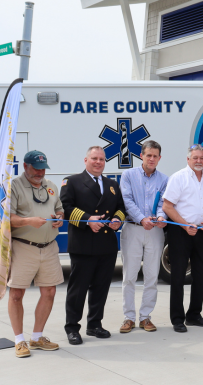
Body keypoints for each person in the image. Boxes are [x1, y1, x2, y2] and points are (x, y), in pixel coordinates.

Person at [61, 146, 126, 345]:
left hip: (106, 244)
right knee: (78, 289)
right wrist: (88, 219)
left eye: (102, 159)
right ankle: (72, 327)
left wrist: (117, 220)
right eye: (94, 158)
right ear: (85, 160)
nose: (98, 162)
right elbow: (66, 207)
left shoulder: (112, 184)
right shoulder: (71, 182)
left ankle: (94, 324)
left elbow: (121, 208)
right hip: (83, 244)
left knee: (101, 288)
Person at [7, 150, 64, 357]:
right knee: (16, 294)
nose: (40, 173)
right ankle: (19, 340)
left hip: (49, 247)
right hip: (24, 247)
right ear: (25, 166)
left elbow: (59, 208)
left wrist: (59, 217)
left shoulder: (51, 186)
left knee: (49, 292)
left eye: (42, 169)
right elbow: (8, 219)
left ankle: (37, 337)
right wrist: (29, 221)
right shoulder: (14, 186)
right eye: (36, 168)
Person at [162, 144, 203, 333]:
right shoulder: (178, 178)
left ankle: (194, 315)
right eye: (195, 158)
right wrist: (185, 225)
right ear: (188, 159)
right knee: (178, 276)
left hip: (202, 232)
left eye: (201, 158)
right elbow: (167, 206)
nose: (198, 161)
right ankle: (178, 319)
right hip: (181, 232)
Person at [119, 140, 168, 334]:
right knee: (129, 276)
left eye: (155, 156)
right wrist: (141, 219)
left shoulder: (164, 179)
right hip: (133, 228)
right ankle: (128, 317)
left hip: (155, 231)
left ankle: (146, 317)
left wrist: (161, 216)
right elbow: (127, 200)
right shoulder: (128, 175)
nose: (152, 159)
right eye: (148, 155)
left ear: (159, 158)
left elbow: (163, 202)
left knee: (152, 276)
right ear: (142, 156)